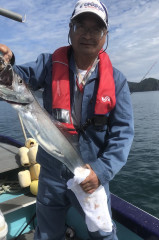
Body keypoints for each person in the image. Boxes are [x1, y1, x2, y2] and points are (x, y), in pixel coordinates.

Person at [0, 0, 134, 239]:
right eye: (81, 26)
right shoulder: (49, 64)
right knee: (47, 233)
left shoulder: (117, 81)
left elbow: (123, 135)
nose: (88, 34)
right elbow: (18, 80)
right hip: (51, 175)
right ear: (70, 30)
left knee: (104, 234)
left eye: (96, 29)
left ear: (105, 36)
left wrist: (101, 172)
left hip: (90, 174)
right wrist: (7, 63)